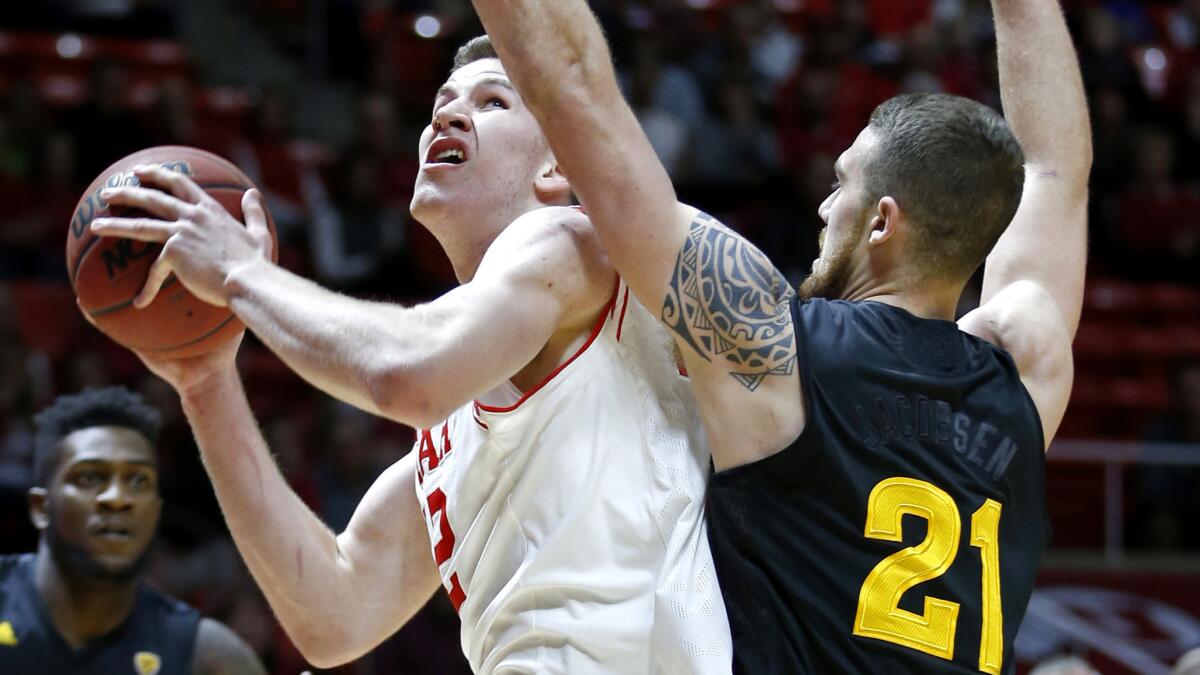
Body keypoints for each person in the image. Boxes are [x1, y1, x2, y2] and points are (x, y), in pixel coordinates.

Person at [469, 0, 1087, 672]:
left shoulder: (774, 349)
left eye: (839, 183)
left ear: (882, 223)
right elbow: (1055, 172)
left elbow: (579, 95)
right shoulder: (1024, 374)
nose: (823, 206)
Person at [89, 37, 730, 673]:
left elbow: (407, 373)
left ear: (557, 169)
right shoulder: (448, 437)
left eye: (492, 103)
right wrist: (205, 382)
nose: (446, 116)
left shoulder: (571, 242)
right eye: (443, 102)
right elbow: (334, 616)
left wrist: (238, 275)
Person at [0, 386, 264, 674]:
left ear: (156, 512)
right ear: (40, 507)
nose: (117, 498)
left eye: (138, 481)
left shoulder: (209, 656)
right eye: (89, 477)